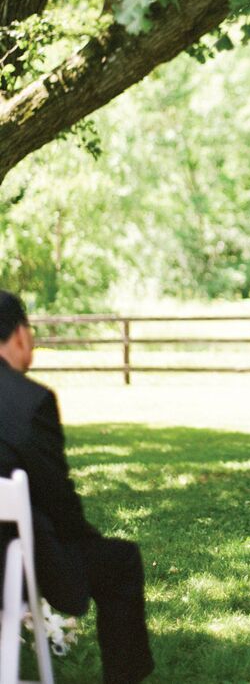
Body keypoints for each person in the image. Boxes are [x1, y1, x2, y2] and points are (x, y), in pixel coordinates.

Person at [0, 291, 154, 684]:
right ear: (19, 335)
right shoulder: (31, 402)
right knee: (120, 561)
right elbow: (58, 500)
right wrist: (85, 541)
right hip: (10, 561)